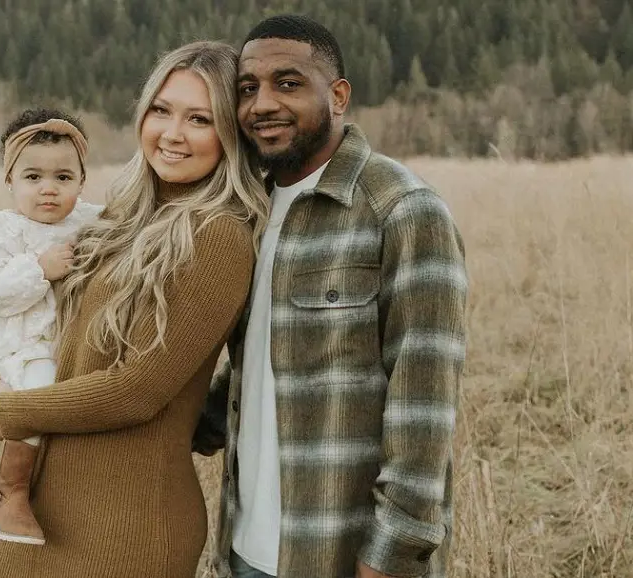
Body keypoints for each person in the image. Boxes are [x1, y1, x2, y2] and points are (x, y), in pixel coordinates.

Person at [0, 40, 270, 578]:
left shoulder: (218, 236)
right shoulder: (122, 217)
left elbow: (138, 389)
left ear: (231, 133)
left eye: (199, 119)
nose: (172, 133)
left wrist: (11, 411)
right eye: (161, 110)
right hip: (42, 511)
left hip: (124, 529)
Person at [193, 14, 469, 578]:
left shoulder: (403, 209)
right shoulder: (251, 211)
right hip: (242, 548)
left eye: (287, 83)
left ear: (338, 95)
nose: (261, 104)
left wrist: (392, 556)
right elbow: (254, 372)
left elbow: (424, 404)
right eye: (248, 88)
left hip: (338, 556)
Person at [0, 108, 103, 546]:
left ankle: (62, 498)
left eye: (63, 178)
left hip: (66, 343)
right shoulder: (0, 231)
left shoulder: (92, 222)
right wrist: (39, 269)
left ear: (81, 181)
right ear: (10, 181)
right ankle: (9, 493)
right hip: (16, 350)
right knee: (40, 392)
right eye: (33, 177)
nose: (49, 190)